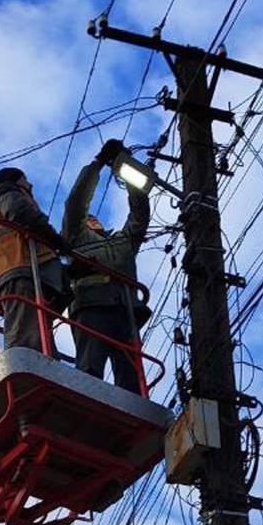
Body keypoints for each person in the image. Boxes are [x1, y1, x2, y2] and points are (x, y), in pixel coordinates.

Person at [61, 139, 150, 392]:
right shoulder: (76, 239)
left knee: (131, 379)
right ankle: (85, 405)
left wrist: (125, 165)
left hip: (126, 310)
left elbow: (139, 214)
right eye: (88, 219)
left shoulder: (123, 243)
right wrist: (98, 164)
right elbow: (75, 204)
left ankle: (134, 410)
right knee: (90, 370)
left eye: (94, 218)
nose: (92, 219)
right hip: (91, 305)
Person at [0, 167, 70, 352]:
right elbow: (21, 214)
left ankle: (46, 366)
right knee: (26, 335)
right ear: (17, 181)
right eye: (26, 179)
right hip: (20, 268)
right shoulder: (7, 192)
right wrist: (54, 238)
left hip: (19, 269)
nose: (30, 184)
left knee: (36, 330)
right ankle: (27, 371)